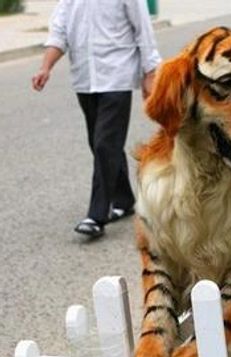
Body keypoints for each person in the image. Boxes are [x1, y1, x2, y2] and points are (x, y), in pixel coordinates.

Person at [32, 0, 162, 238]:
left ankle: (96, 216)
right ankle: (123, 199)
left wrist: (150, 71)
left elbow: (143, 30)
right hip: (84, 79)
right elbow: (59, 32)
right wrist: (45, 67)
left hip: (116, 76)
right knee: (100, 143)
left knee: (104, 144)